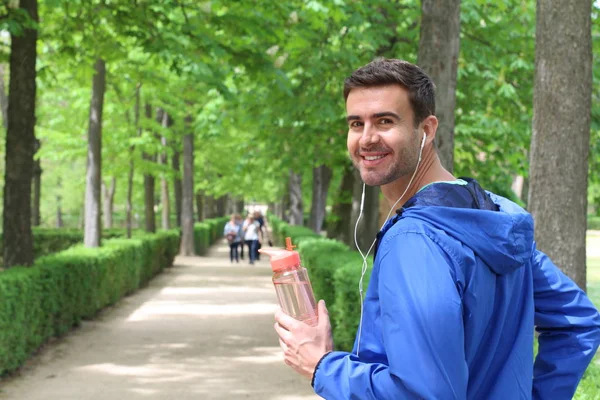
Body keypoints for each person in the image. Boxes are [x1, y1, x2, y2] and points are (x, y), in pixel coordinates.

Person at [273, 58, 600, 399]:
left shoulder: (414, 240)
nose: (366, 138)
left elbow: (423, 394)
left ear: (427, 129)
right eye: (356, 124)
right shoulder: (495, 214)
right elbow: (578, 323)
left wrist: (322, 366)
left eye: (385, 121)